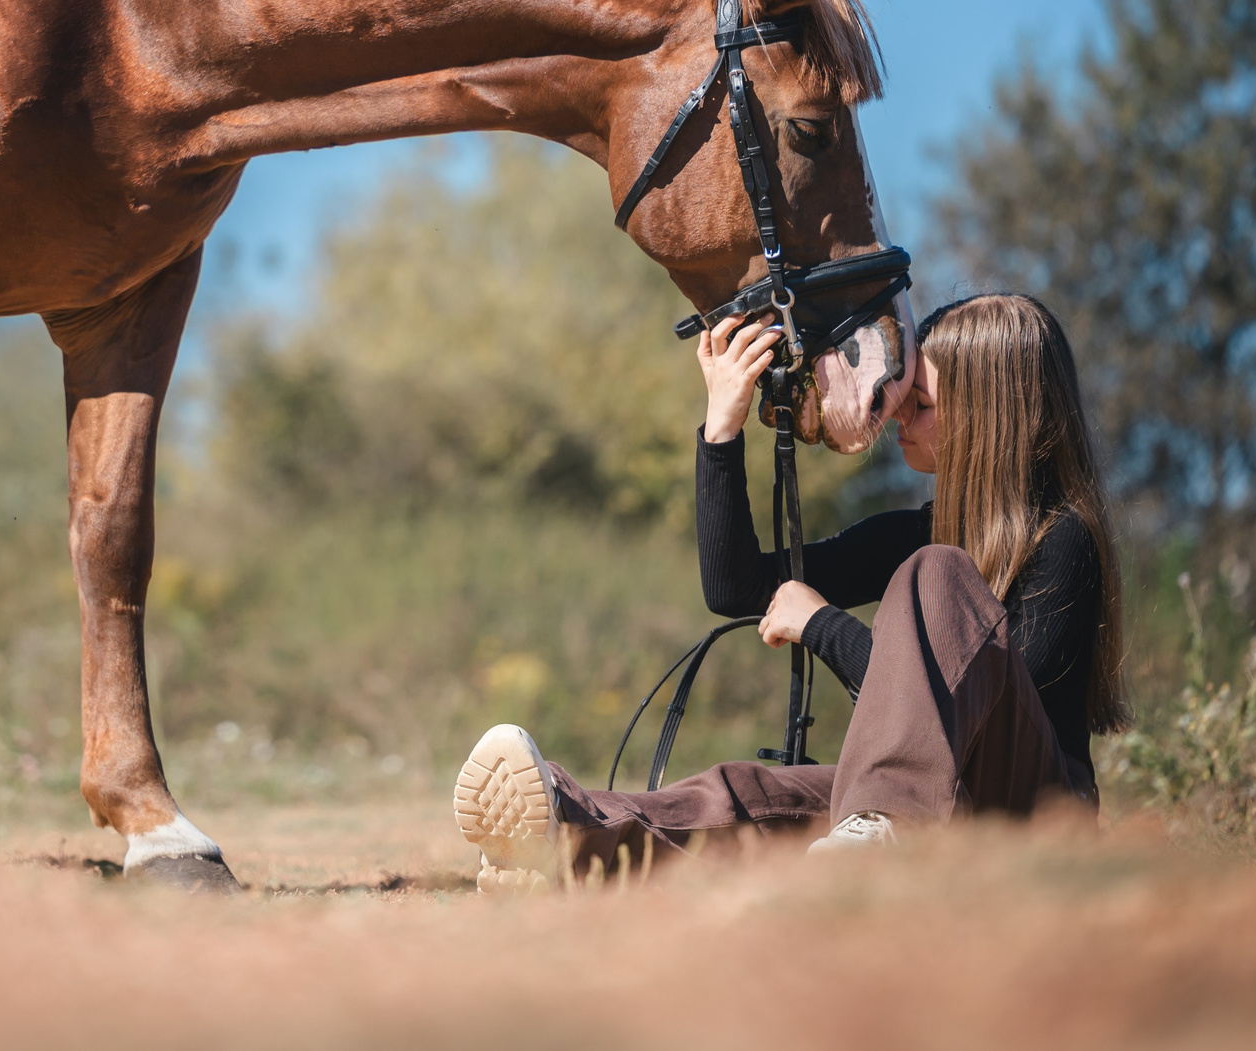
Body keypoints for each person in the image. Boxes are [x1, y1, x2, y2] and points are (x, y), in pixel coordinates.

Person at [452, 293, 1127, 890]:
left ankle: (879, 830)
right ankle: (569, 835)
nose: (896, 415)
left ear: (987, 417)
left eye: (919, 402)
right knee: (753, 793)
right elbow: (740, 586)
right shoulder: (926, 529)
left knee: (935, 571)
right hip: (938, 807)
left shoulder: (1061, 540)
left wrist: (825, 626)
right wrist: (723, 427)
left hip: (1035, 818)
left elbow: (978, 723)